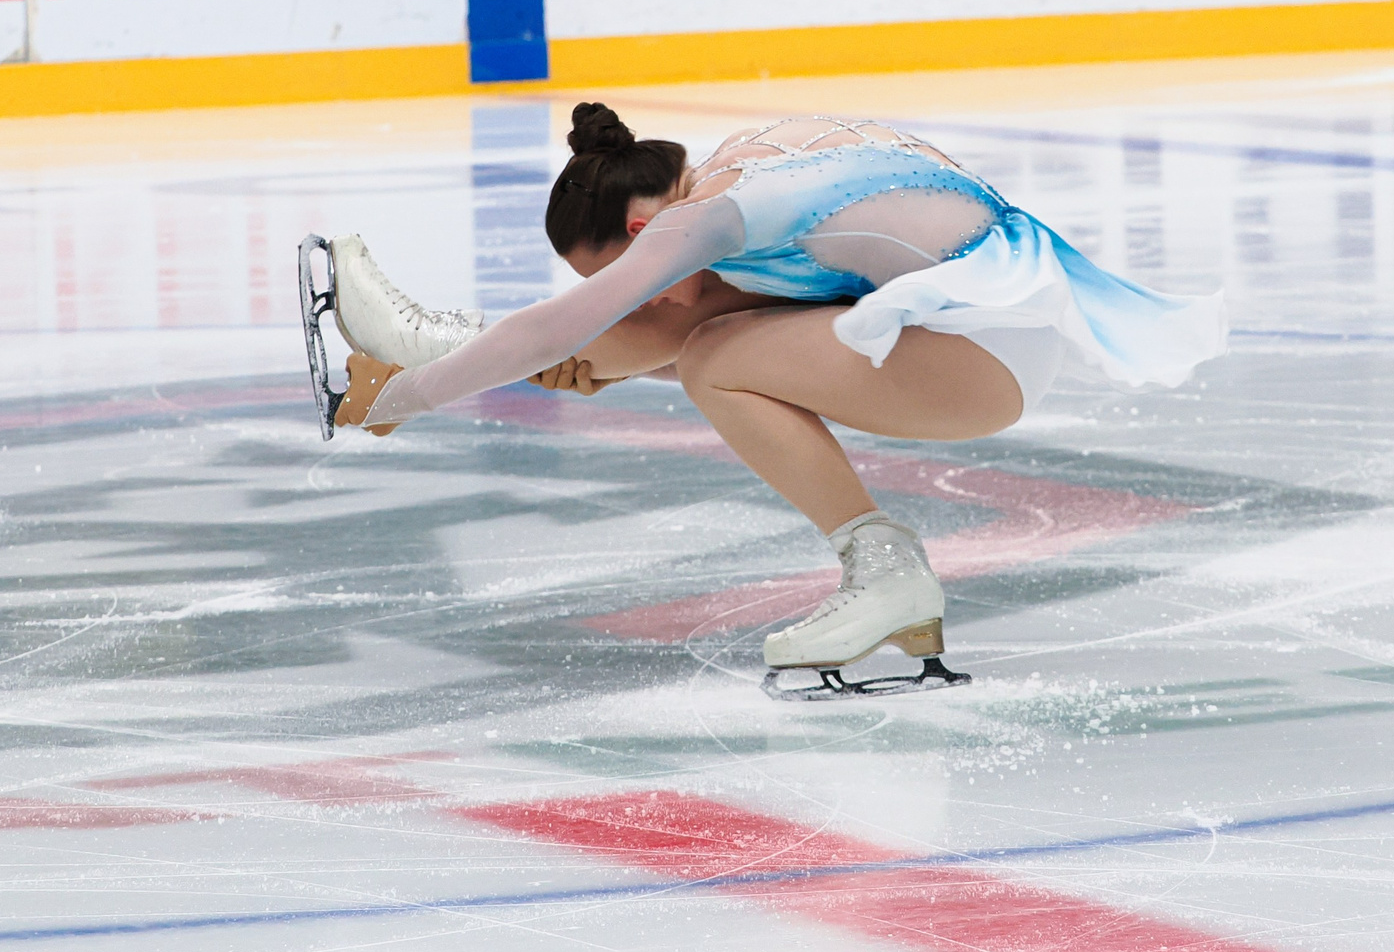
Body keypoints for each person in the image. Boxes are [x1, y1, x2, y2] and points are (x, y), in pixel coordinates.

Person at [298, 104, 1225, 697]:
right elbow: (666, 328)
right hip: (958, 325)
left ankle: (888, 571)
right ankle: (427, 338)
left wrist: (409, 402)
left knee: (708, 354)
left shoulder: (710, 220)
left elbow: (569, 327)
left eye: (626, 272)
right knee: (691, 333)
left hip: (984, 351)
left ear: (638, 223)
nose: (647, 286)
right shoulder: (731, 175)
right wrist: (604, 360)